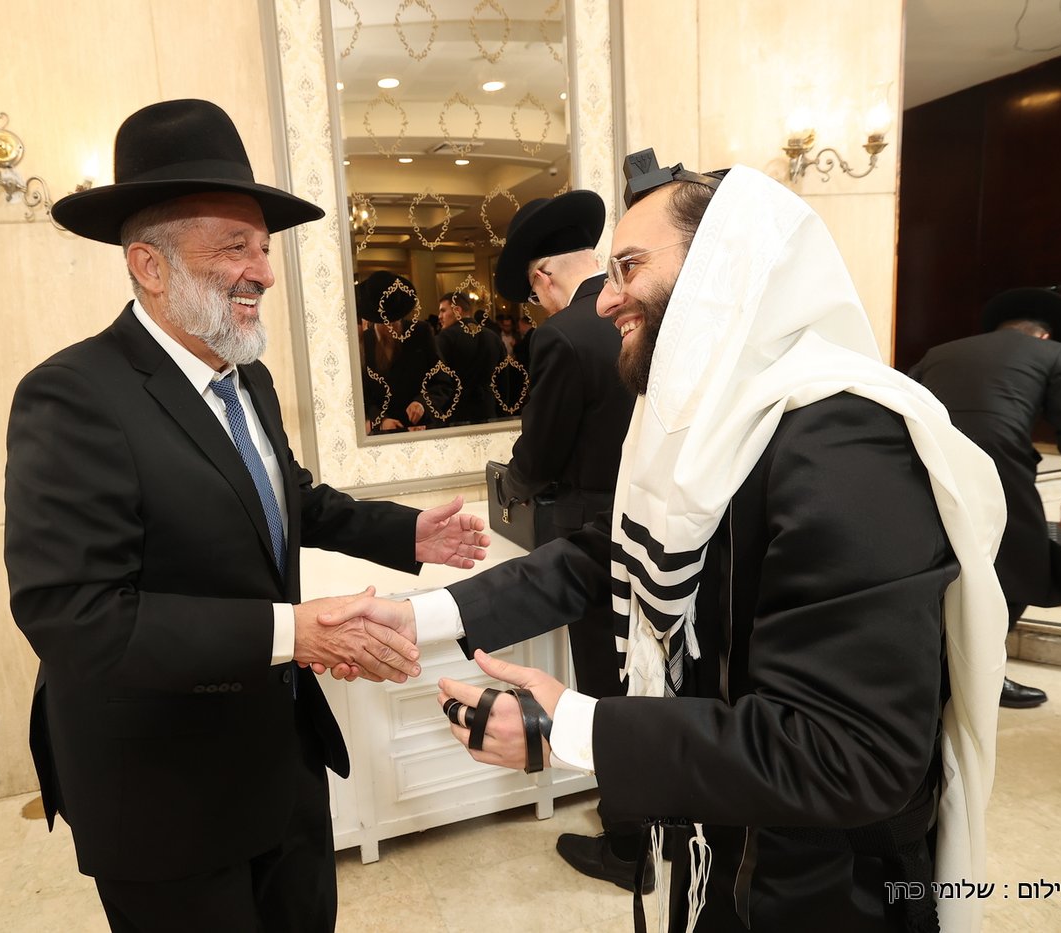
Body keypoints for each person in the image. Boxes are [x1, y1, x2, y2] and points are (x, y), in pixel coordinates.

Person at [325, 152, 1008, 932]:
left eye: (629, 266)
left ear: (725, 269)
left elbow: (848, 751)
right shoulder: (702, 424)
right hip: (715, 845)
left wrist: (573, 727)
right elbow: (606, 553)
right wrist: (420, 616)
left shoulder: (848, 444)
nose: (607, 297)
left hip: (819, 889)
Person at [3, 99, 489, 933]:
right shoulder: (73, 396)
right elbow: (74, 614)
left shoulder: (245, 376)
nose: (263, 271)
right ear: (150, 266)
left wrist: (405, 533)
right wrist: (295, 631)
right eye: (235, 246)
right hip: (162, 792)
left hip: (279, 762)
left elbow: (287, 497)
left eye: (263, 247)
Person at [491, 189, 642, 890]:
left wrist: (510, 485)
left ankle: (628, 846)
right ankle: (666, 824)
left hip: (592, 539)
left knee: (605, 689)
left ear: (544, 275)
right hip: (661, 529)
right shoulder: (647, 313)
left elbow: (542, 453)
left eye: (532, 293)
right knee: (652, 684)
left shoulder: (562, 335)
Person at [910, 288, 1061, 709]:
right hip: (996, 461)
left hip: (922, 458)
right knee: (1020, 565)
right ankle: (978, 675)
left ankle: (930, 668)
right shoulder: (1054, 354)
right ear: (1043, 335)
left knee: (938, 563)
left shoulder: (940, 352)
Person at [357, 270, 455, 433]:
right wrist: (381, 420)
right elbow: (362, 394)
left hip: (421, 430)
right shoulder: (364, 341)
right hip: (382, 435)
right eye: (384, 322)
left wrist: (422, 403)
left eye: (394, 320)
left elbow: (442, 381)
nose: (390, 327)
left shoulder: (420, 332)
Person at [435, 295, 505, 425]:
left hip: (455, 412)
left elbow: (438, 379)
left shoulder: (445, 337)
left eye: (443, 310)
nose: (439, 316)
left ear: (457, 310)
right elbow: (503, 379)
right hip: (488, 409)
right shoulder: (493, 337)